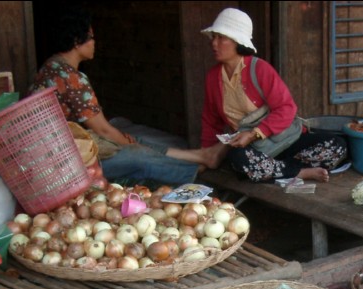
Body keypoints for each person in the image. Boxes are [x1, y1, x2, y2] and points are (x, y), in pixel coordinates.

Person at [30, 8, 223, 186]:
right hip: (70, 165)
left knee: (132, 138)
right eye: (91, 37)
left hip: (58, 155)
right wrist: (134, 145)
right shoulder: (72, 78)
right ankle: (192, 172)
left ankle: (201, 156)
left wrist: (131, 141)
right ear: (76, 41)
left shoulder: (50, 67)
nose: (95, 42)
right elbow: (104, 131)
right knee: (139, 155)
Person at [199, 8, 347, 184]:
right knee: (239, 159)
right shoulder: (213, 78)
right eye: (213, 37)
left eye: (221, 38)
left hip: (286, 140)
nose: (214, 43)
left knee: (338, 145)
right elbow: (211, 121)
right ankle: (298, 172)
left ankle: (275, 170)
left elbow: (287, 108)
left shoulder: (260, 69)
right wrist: (206, 155)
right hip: (253, 149)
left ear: (237, 41)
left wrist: (255, 133)